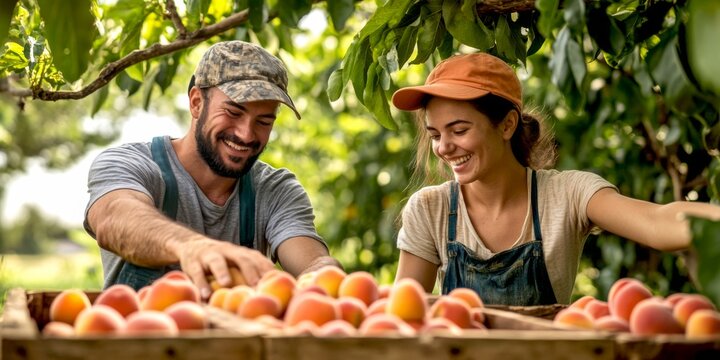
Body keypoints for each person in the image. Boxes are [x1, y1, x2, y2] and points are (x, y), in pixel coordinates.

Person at [390, 52, 720, 306]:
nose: (444, 148)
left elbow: (658, 220)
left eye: (459, 130)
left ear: (507, 125)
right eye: (435, 135)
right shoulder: (431, 209)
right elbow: (402, 318)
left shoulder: (566, 195)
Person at [84, 40, 341, 299]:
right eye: (233, 112)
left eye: (264, 121)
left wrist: (323, 272)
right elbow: (113, 218)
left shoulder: (274, 191)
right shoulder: (129, 163)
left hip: (239, 340)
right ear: (196, 102)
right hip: (138, 338)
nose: (246, 134)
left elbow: (310, 265)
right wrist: (192, 247)